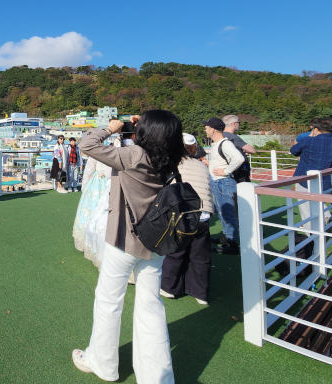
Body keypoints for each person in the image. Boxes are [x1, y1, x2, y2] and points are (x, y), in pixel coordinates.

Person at [72, 111, 185, 383]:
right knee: (150, 306)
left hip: (124, 241)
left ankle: (103, 363)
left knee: (109, 301)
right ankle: (157, 376)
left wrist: (111, 128)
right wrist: (144, 127)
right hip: (157, 243)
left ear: (146, 133)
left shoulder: (134, 156)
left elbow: (86, 145)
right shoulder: (172, 158)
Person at [160, 133, 214, 305]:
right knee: (200, 255)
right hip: (203, 214)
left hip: (183, 214)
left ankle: (170, 288)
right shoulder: (201, 165)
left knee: (176, 252)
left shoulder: (172, 164)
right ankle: (200, 292)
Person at [290, 117, 332, 223]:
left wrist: (310, 136)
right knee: (331, 203)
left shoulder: (308, 140)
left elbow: (294, 151)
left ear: (316, 129)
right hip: (329, 182)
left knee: (307, 208)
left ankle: (314, 234)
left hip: (305, 180)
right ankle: (331, 220)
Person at [204, 117, 245, 255]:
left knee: (227, 214)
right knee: (222, 212)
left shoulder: (225, 144)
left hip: (224, 182)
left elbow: (239, 158)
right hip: (217, 182)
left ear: (213, 129)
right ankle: (226, 238)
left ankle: (232, 243)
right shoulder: (217, 144)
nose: (205, 129)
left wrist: (226, 171)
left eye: (207, 127)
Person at [222, 114, 255, 182]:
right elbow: (252, 150)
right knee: (245, 189)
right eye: (238, 122)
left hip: (227, 167)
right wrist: (244, 151)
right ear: (234, 124)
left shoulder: (221, 135)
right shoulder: (233, 137)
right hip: (240, 170)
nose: (239, 124)